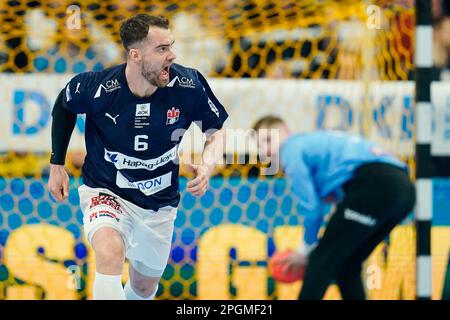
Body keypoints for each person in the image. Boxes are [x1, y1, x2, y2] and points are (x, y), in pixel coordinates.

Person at [47, 14, 228, 300]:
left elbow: (216, 132)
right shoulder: (97, 87)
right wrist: (56, 163)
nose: (172, 55)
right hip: (106, 189)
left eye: (171, 46)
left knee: (144, 287)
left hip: (158, 202)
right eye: (162, 49)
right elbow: (64, 105)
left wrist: (207, 165)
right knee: (110, 251)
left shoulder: (188, 84)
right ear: (135, 54)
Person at [253, 116, 415, 300]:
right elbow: (332, 198)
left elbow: (312, 209)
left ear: (286, 132)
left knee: (321, 260)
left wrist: (305, 250)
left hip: (377, 185)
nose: (266, 150)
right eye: (260, 146)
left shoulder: (290, 149)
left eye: (268, 140)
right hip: (405, 192)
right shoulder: (316, 145)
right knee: (347, 264)